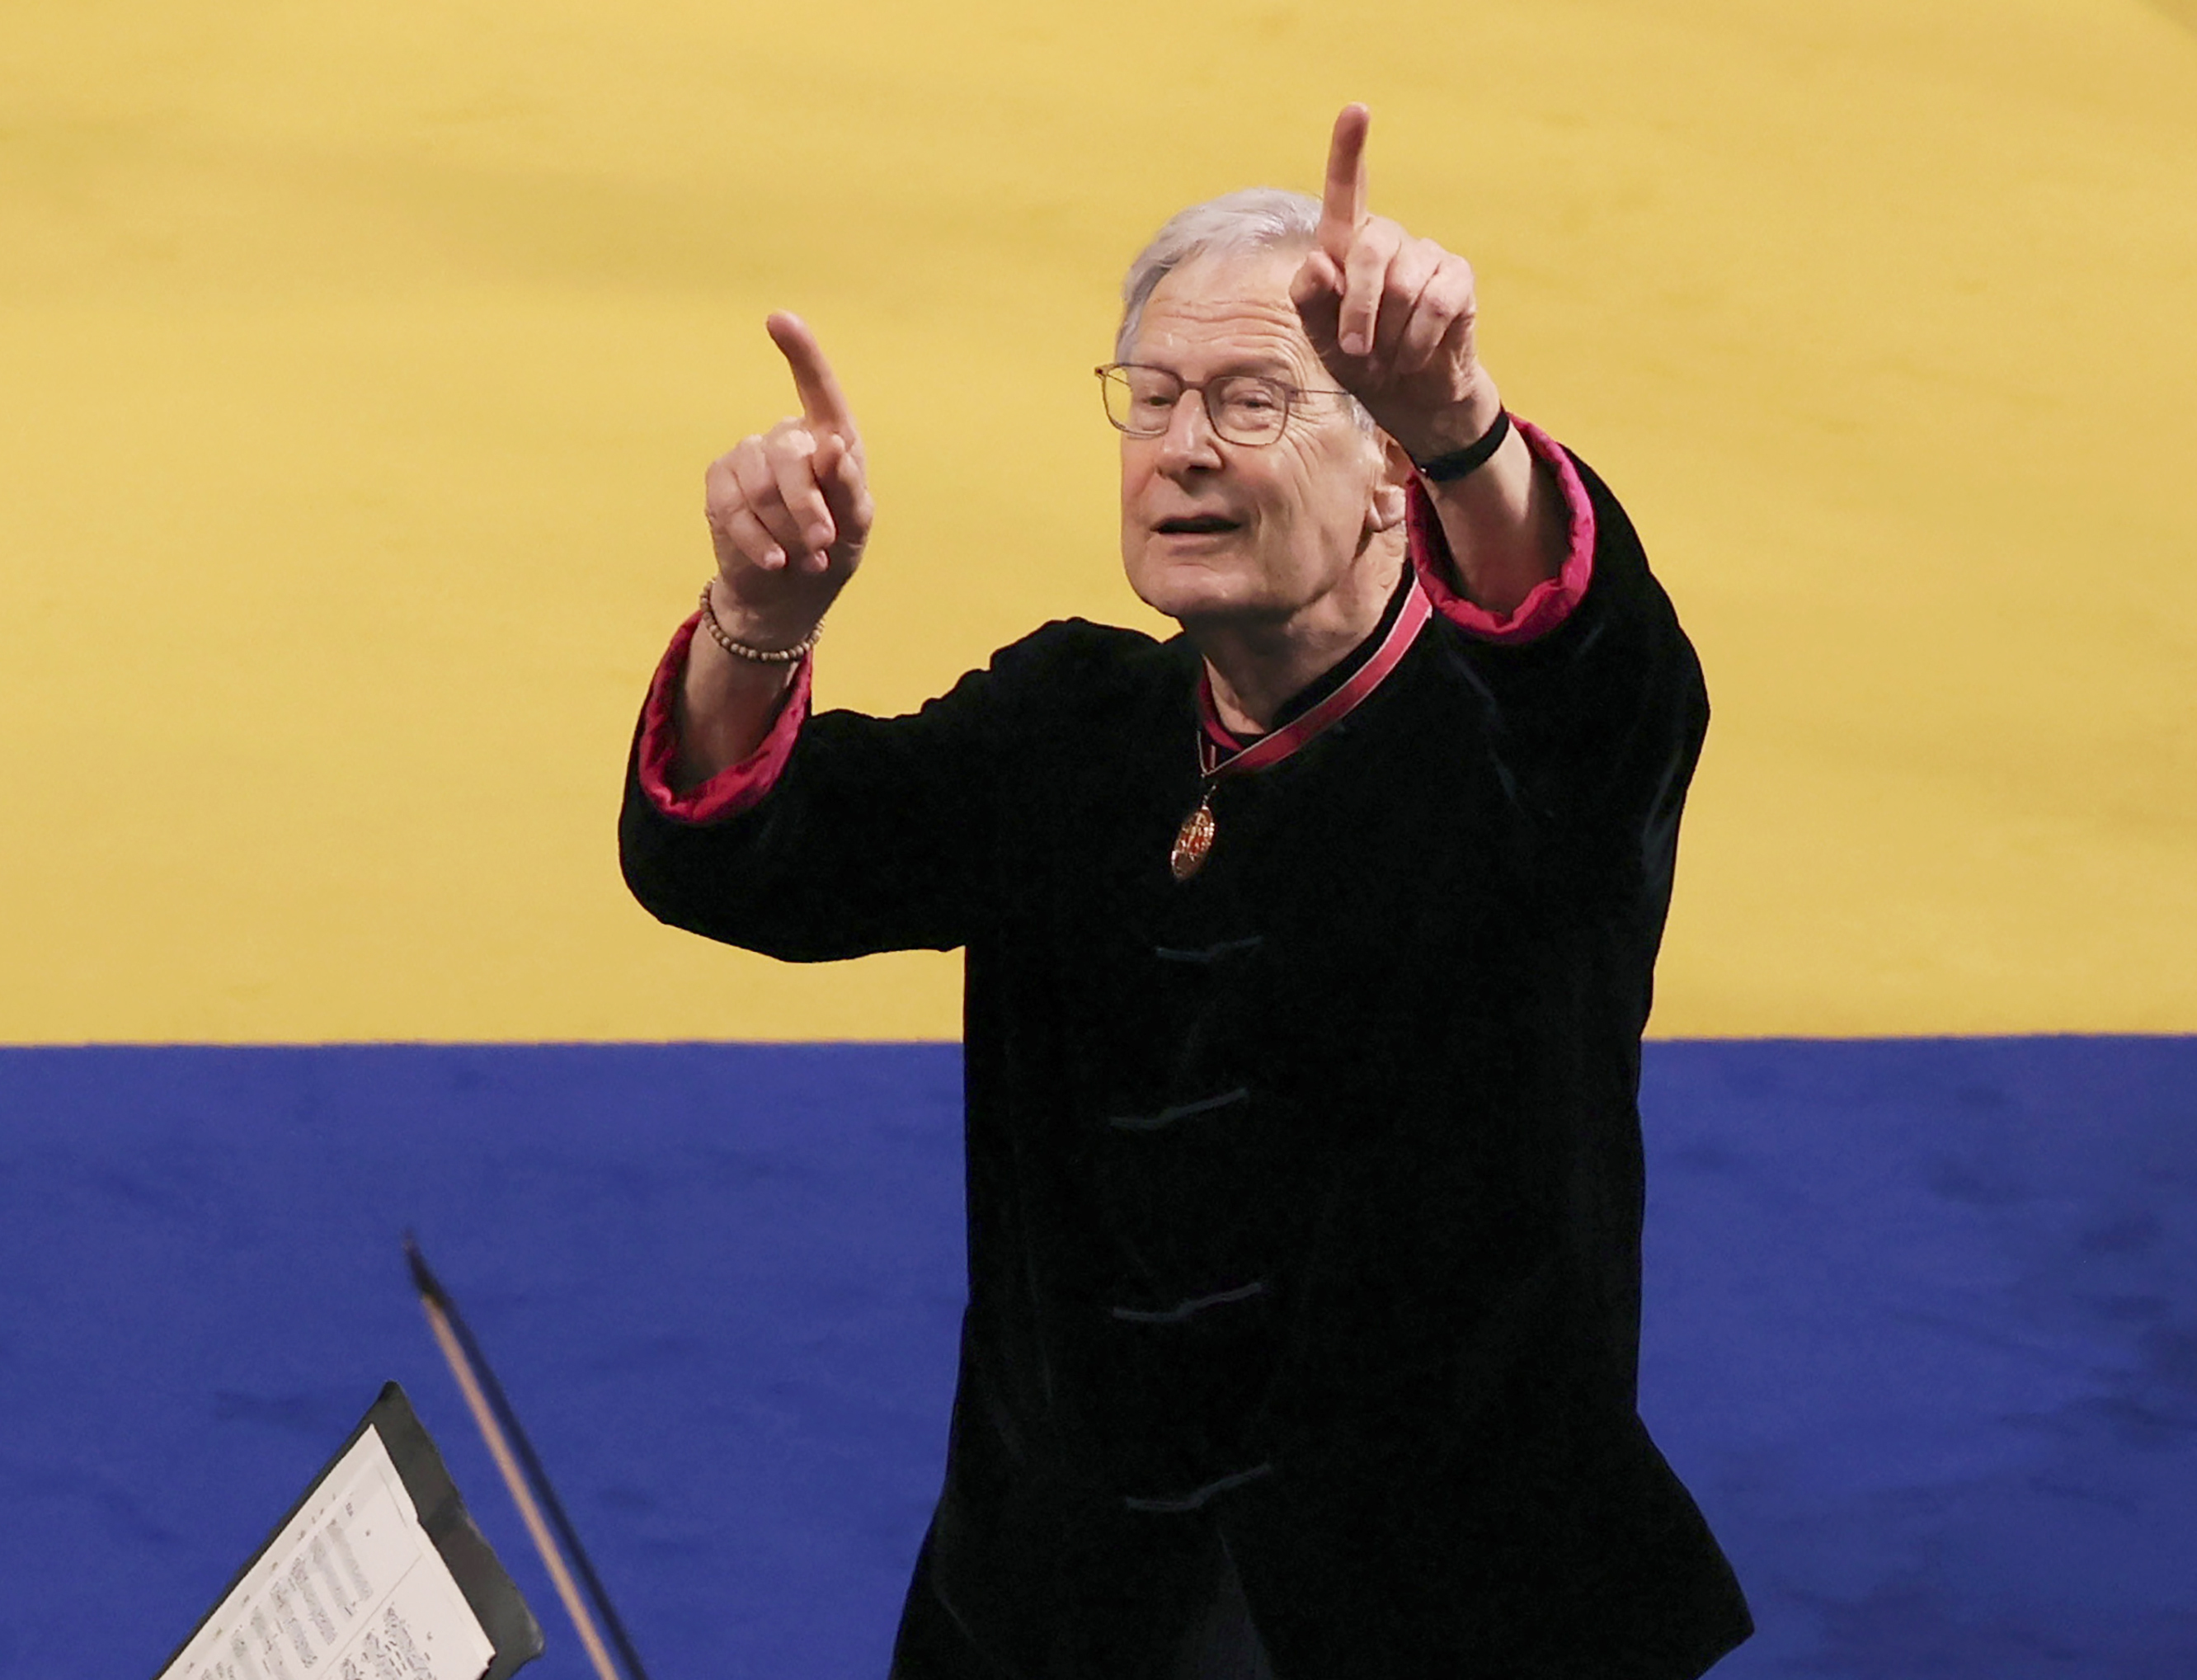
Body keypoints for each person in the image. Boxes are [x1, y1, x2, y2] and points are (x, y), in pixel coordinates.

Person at [619, 105, 1752, 1680]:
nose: (1185, 446)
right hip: (1055, 1613)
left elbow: (1608, 683)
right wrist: (760, 619)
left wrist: (1469, 431)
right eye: (1149, 399)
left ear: (1382, 480)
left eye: (1252, 398)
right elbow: (738, 853)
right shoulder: (1069, 727)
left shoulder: (1520, 761)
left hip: (1446, 1623)